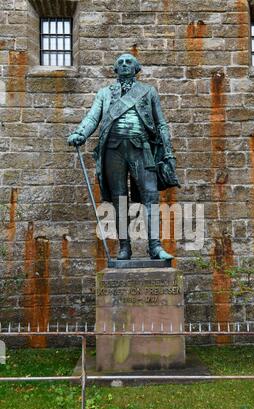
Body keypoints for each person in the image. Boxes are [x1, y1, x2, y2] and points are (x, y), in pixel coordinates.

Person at [68, 53, 180, 260]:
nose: (125, 65)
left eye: (129, 62)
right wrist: (80, 133)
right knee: (119, 199)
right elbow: (93, 117)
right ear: (115, 69)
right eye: (120, 62)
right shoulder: (104, 93)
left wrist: (169, 152)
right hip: (113, 149)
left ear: (136, 68)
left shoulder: (148, 91)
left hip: (141, 148)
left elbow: (161, 123)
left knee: (151, 196)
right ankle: (124, 247)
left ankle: (155, 246)